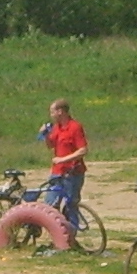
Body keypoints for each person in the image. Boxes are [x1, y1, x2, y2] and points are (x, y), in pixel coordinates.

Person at [39, 99, 88, 242]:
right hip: (57, 172)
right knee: (50, 204)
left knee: (71, 205)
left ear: (60, 112)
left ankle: (71, 238)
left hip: (73, 173)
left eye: (52, 112)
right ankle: (56, 236)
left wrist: (63, 159)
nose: (51, 115)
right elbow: (50, 145)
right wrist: (45, 135)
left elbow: (83, 150)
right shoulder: (57, 127)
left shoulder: (75, 127)